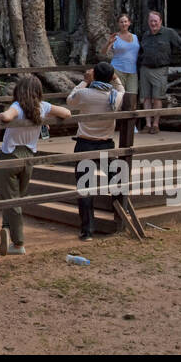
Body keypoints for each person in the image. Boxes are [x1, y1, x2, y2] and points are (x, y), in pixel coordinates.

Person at [0, 74, 71, 256]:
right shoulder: (43, 107)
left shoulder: (17, 107)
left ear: (19, 90)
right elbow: (66, 113)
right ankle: (6, 227)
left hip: (9, 156)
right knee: (15, 196)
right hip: (28, 157)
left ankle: (18, 243)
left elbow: (5, 116)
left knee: (12, 199)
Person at [67, 62, 126, 240]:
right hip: (106, 144)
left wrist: (84, 81)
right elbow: (122, 89)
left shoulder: (84, 94)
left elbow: (70, 100)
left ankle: (87, 231)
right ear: (110, 77)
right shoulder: (115, 96)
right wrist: (115, 78)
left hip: (85, 144)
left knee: (85, 188)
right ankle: (121, 219)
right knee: (116, 181)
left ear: (93, 76)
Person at [138, 10, 181, 133]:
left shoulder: (169, 33)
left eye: (155, 21)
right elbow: (139, 52)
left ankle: (155, 124)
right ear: (148, 22)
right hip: (145, 68)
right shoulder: (145, 35)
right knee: (146, 98)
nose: (153, 23)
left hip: (160, 69)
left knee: (158, 98)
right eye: (151, 21)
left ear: (160, 22)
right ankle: (147, 124)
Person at [104, 13, 140, 131]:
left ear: (129, 23)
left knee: (132, 96)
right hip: (117, 70)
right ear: (118, 24)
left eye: (125, 21)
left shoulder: (135, 37)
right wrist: (109, 42)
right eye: (121, 22)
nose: (124, 24)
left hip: (132, 71)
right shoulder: (115, 37)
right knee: (118, 97)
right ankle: (114, 124)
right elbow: (103, 52)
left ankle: (130, 124)